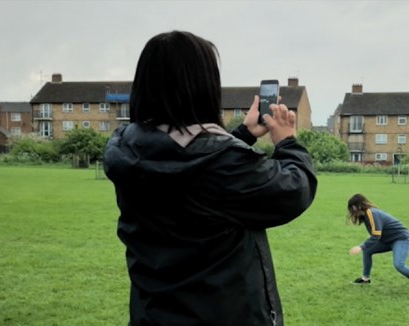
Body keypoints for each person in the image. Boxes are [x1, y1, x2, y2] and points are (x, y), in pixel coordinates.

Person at [103, 31, 318, 325]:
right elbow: (293, 190)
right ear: (201, 85)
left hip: (154, 315)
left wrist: (241, 135)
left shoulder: (127, 149)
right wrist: (287, 142)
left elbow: (190, 164)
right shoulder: (219, 164)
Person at [346, 194, 409, 296]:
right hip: (387, 240)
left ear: (358, 206)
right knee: (368, 250)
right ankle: (365, 279)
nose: (351, 211)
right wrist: (364, 247)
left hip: (400, 239)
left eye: (352, 208)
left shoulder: (371, 213)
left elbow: (376, 236)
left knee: (399, 265)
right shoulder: (366, 215)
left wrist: (360, 247)